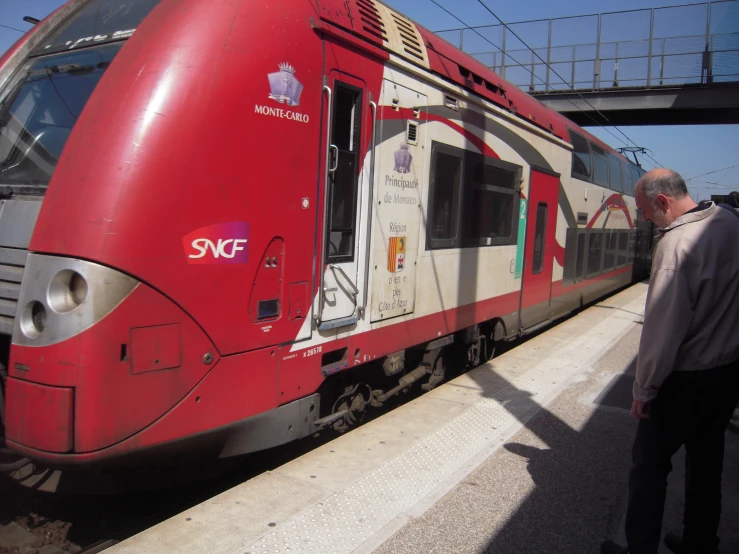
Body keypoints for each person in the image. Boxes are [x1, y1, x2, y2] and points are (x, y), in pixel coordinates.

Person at [601, 169, 739, 554]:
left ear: (663, 201)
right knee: (707, 464)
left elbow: (663, 328)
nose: (644, 218)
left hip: (685, 379)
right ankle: (700, 544)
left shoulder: (676, 246)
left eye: (646, 211)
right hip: (728, 372)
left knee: (648, 467)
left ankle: (639, 549)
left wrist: (644, 390)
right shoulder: (730, 222)